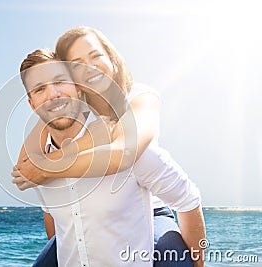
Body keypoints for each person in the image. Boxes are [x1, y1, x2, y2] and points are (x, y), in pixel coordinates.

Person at [12, 27, 205, 266]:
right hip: (98, 212)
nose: (90, 67)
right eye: (79, 63)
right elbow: (31, 175)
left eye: (95, 56)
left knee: (171, 257)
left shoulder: (137, 99)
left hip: (151, 207)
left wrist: (47, 168)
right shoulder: (65, 117)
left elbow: (125, 153)